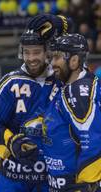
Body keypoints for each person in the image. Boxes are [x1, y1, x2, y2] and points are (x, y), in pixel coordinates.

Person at [0, 14, 71, 192]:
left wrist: (61, 24)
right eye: (27, 52)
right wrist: (9, 144)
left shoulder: (61, 80)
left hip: (51, 178)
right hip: (13, 177)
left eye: (36, 52)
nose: (31, 58)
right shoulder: (10, 82)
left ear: (47, 52)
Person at [42, 33, 101, 192]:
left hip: (76, 186)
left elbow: (93, 139)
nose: (52, 64)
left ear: (74, 61)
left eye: (57, 58)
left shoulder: (77, 92)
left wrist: (89, 183)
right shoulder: (73, 85)